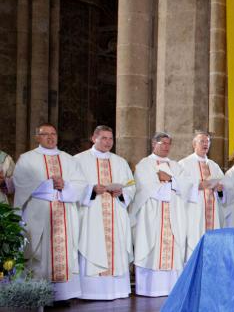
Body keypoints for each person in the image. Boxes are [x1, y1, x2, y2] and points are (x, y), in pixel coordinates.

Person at [13, 123, 87, 301]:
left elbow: (81, 184)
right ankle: (37, 293)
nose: (50, 137)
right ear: (37, 137)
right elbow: (21, 183)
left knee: (66, 251)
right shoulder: (27, 158)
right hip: (39, 214)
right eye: (45, 134)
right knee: (38, 251)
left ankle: (63, 295)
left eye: (53, 133)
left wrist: (66, 186)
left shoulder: (68, 159)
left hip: (64, 214)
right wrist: (49, 184)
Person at [74, 125, 136, 300]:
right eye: (104, 138)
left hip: (116, 212)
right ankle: (91, 291)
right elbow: (74, 185)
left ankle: (117, 290)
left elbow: (131, 186)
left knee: (116, 247)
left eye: (111, 139)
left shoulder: (120, 161)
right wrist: (91, 190)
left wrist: (122, 193)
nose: (108, 142)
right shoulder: (79, 160)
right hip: (92, 213)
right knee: (93, 244)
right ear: (94, 138)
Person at [130, 132, 193, 297]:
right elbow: (144, 187)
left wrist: (169, 180)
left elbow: (187, 186)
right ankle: (149, 289)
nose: (166, 146)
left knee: (174, 249)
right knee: (150, 247)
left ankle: (172, 288)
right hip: (153, 214)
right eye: (162, 143)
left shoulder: (176, 165)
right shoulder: (144, 164)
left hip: (174, 214)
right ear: (153, 144)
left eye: (168, 144)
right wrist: (170, 185)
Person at [178, 131, 225, 261]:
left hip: (212, 213)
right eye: (202, 141)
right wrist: (197, 186)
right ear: (194, 144)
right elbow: (179, 187)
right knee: (194, 242)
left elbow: (223, 188)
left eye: (208, 142)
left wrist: (220, 189)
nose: (205, 144)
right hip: (194, 211)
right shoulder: (184, 164)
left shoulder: (214, 165)